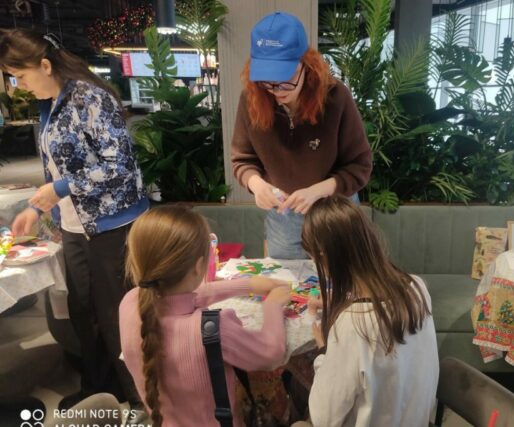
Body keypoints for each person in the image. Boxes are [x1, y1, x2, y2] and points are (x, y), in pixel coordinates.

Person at [0, 29, 149, 414]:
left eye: (21, 76)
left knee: (117, 315)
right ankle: (98, 389)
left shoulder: (89, 97)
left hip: (112, 224)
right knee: (84, 312)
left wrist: (61, 188)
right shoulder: (50, 103)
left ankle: (139, 400)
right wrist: (37, 209)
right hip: (74, 225)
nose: (19, 86)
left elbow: (120, 166)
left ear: (45, 65)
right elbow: (57, 169)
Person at [120, 206, 291, 427]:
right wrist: (273, 304)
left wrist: (247, 284)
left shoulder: (130, 302)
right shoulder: (213, 329)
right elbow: (271, 353)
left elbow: (183, 297)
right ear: (199, 266)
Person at [231, 11, 372, 260]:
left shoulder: (336, 97)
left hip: (335, 210)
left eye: (286, 79)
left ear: (307, 65)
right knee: (287, 280)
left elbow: (359, 165)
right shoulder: (252, 98)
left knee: (343, 278)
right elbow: (242, 160)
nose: (277, 90)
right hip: (284, 214)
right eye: (267, 81)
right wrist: (257, 185)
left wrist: (318, 190)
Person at [300, 195, 439, 427]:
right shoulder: (417, 288)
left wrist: (324, 350)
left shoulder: (352, 325)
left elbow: (323, 418)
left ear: (324, 257)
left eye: (313, 258)